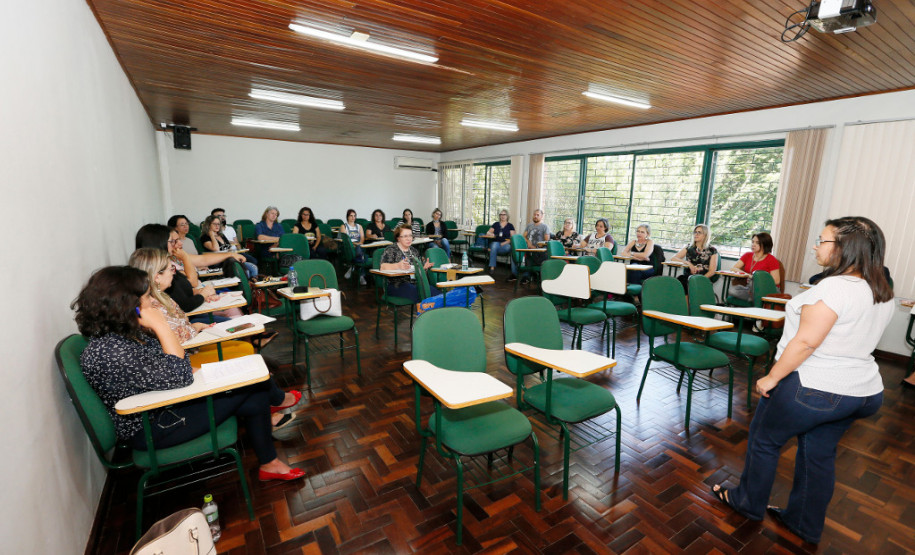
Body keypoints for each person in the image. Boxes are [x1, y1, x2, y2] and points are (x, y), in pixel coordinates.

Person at [711, 216, 894, 545]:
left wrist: (772, 377)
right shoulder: (879, 288)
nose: (815, 246)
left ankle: (747, 502)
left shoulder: (836, 287)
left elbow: (807, 343)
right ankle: (803, 523)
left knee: (764, 441)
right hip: (862, 392)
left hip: (816, 387)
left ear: (843, 247)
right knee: (818, 454)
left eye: (821, 240)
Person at [72, 266, 306, 481]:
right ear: (125, 305)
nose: (154, 302)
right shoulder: (111, 350)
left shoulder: (124, 333)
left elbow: (176, 362)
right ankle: (272, 447)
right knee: (255, 387)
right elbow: (181, 373)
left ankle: (270, 463)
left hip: (163, 406)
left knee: (255, 390)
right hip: (151, 427)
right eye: (146, 298)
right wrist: (162, 325)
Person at [135, 224, 245, 323]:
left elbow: (201, 262)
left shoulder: (167, 262)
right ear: (159, 243)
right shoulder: (162, 271)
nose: (176, 244)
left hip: (193, 308)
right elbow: (189, 287)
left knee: (234, 311)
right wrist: (202, 294)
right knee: (233, 317)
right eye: (172, 241)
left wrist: (198, 292)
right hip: (191, 316)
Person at [380, 224, 439, 303]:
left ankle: (438, 310)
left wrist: (423, 268)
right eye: (405, 236)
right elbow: (383, 267)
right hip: (396, 285)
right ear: (398, 238)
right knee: (423, 294)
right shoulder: (391, 250)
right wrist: (398, 265)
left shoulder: (414, 251)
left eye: (410, 236)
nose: (408, 239)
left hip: (414, 284)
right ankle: (428, 312)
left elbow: (418, 272)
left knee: (432, 291)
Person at [728, 232, 781, 301]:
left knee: (753, 285)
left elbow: (776, 281)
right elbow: (733, 268)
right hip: (751, 288)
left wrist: (756, 280)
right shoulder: (747, 255)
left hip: (767, 289)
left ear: (765, 244)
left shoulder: (772, 259)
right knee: (733, 290)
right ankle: (755, 298)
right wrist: (748, 275)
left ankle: (753, 298)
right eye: (752, 242)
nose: (753, 245)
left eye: (757, 243)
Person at [671, 224, 718, 292]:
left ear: (705, 235)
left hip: (704, 277)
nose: (696, 234)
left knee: (690, 284)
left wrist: (700, 279)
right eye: (695, 232)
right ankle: (685, 302)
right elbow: (673, 258)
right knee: (681, 280)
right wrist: (688, 263)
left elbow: (712, 271)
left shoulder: (712, 250)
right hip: (689, 277)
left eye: (699, 232)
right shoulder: (689, 247)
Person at [211, 208, 259, 273]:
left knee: (253, 260)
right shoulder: (215, 231)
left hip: (236, 252)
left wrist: (241, 252)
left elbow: (237, 243)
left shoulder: (230, 229)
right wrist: (228, 243)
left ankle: (252, 279)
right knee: (243, 266)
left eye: (223, 216)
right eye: (219, 216)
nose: (222, 218)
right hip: (226, 254)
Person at [520, 209, 550, 285]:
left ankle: (536, 275)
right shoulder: (529, 225)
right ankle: (527, 276)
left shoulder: (545, 227)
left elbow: (547, 240)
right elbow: (524, 236)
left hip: (539, 250)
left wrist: (538, 246)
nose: (535, 216)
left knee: (540, 255)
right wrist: (529, 243)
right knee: (528, 254)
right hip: (529, 249)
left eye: (537, 215)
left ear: (541, 216)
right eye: (534, 215)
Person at [340, 209, 366, 285]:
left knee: (359, 250)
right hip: (349, 247)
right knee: (362, 255)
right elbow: (346, 239)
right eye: (351, 215)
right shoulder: (343, 226)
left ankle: (352, 267)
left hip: (359, 246)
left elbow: (362, 238)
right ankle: (362, 276)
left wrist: (359, 243)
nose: (353, 217)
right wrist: (355, 244)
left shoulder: (359, 226)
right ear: (347, 217)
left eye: (354, 216)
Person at [487, 209, 516, 279]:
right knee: (494, 245)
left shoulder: (510, 225)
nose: (502, 216)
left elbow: (513, 238)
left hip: (505, 246)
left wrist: (504, 243)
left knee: (494, 247)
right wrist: (491, 234)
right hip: (496, 244)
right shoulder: (496, 224)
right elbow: (488, 233)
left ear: (507, 216)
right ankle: (492, 267)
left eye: (504, 214)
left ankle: (514, 273)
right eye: (501, 215)